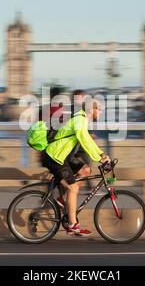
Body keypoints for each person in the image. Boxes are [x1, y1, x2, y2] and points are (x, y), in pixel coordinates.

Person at [41, 99, 110, 237]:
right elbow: (84, 139)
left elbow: (88, 140)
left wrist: (101, 154)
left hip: (64, 156)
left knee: (85, 170)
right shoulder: (80, 119)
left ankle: (64, 200)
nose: (101, 112)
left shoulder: (82, 119)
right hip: (55, 157)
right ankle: (72, 225)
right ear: (92, 109)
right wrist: (100, 157)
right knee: (73, 187)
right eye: (100, 109)